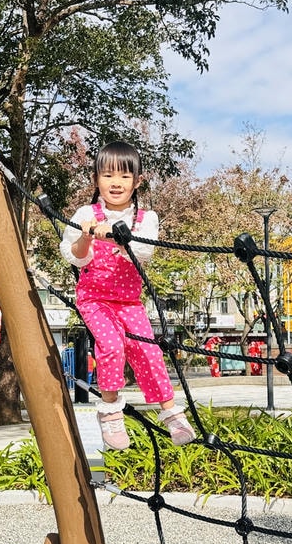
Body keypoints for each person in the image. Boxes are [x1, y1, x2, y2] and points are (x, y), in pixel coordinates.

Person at [60, 141, 195, 450]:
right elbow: (76, 255)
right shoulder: (86, 213)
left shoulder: (145, 218)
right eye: (108, 175)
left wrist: (114, 235)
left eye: (124, 176)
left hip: (129, 301)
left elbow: (143, 252)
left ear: (137, 181)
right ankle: (110, 412)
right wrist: (87, 235)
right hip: (95, 299)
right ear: (96, 179)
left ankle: (170, 412)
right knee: (111, 345)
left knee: (147, 350)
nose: (116, 183)